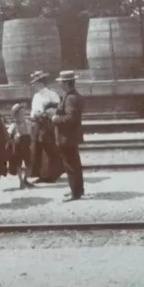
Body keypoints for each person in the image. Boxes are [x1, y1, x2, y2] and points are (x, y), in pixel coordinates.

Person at [52, 71, 85, 201]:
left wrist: (55, 119)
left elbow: (71, 118)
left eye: (61, 81)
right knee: (74, 163)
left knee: (70, 165)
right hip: (70, 136)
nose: (59, 84)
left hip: (66, 137)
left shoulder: (70, 98)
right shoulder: (73, 96)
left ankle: (75, 193)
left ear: (66, 83)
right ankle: (78, 189)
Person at [28, 71, 63, 184]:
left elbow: (58, 108)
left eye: (36, 82)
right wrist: (35, 114)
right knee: (39, 148)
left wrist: (47, 111)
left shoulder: (51, 94)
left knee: (49, 147)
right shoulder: (36, 96)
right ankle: (41, 174)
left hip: (48, 124)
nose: (34, 85)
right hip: (38, 123)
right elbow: (33, 111)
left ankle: (52, 174)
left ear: (42, 83)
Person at [7, 103, 34, 190]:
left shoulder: (28, 123)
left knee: (29, 164)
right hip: (18, 147)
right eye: (19, 114)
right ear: (16, 115)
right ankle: (21, 181)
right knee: (18, 165)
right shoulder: (13, 126)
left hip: (26, 146)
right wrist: (14, 139)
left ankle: (25, 179)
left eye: (22, 113)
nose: (21, 115)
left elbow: (32, 133)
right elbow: (8, 137)